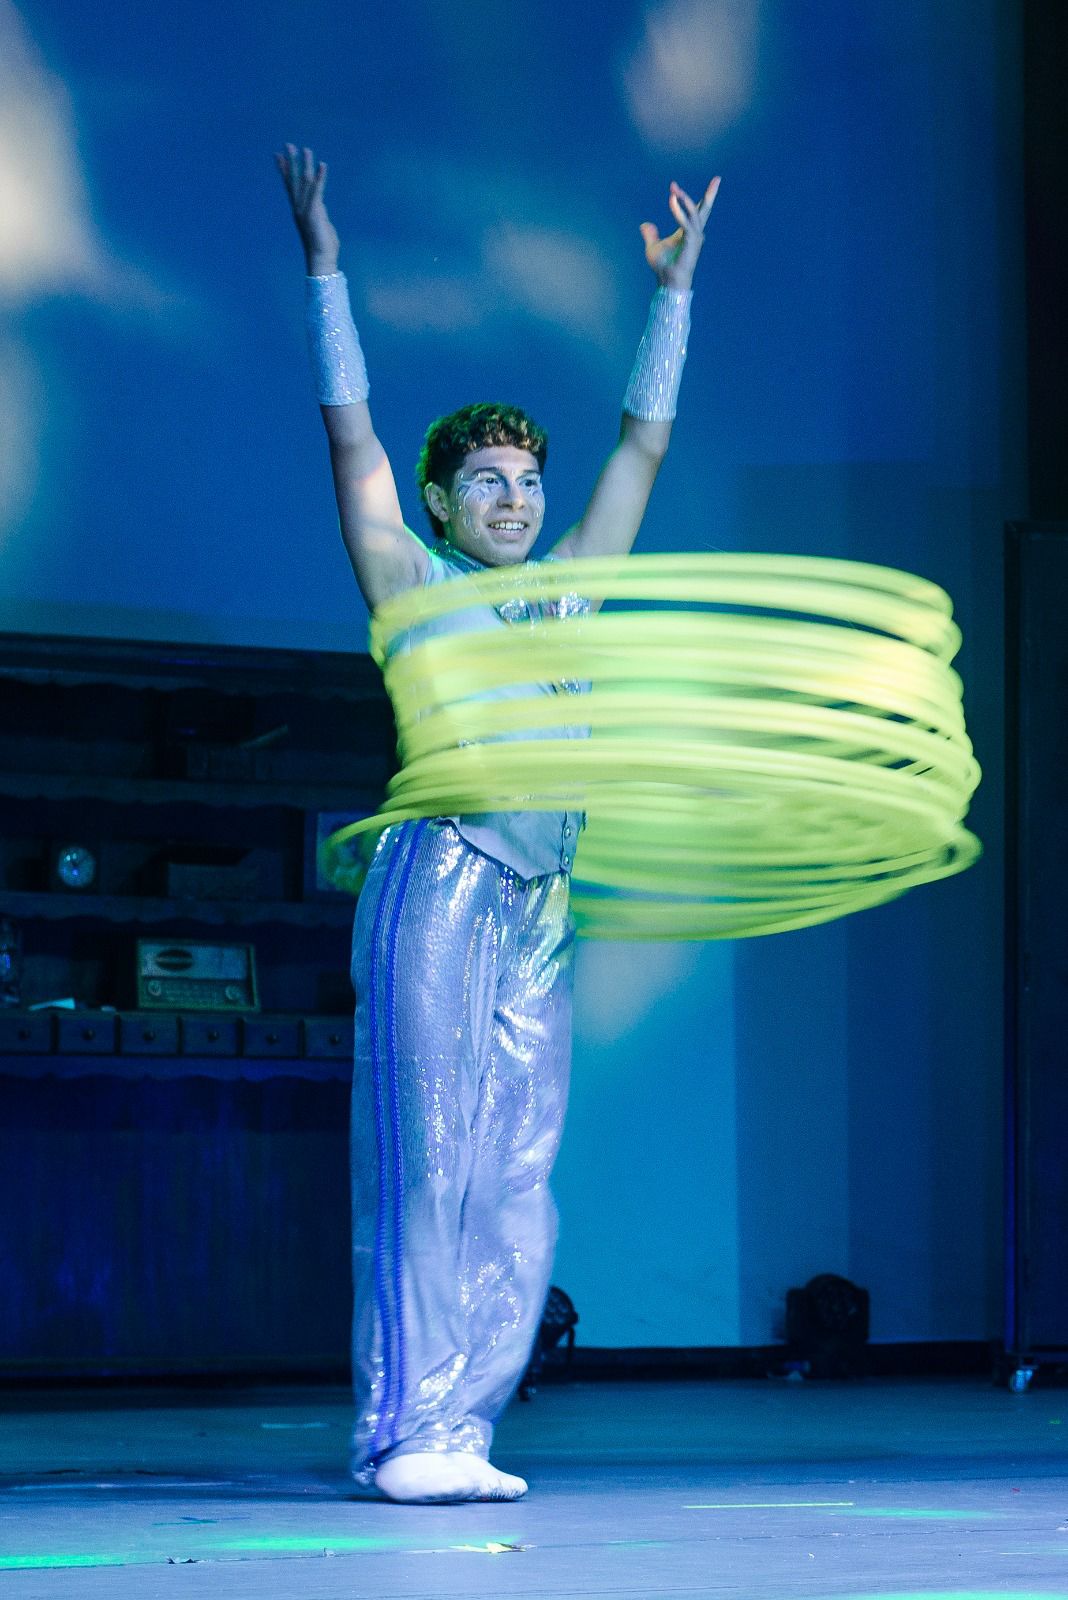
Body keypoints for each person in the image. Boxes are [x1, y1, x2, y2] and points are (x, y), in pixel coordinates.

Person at [276, 143, 719, 1503]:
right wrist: (326, 273)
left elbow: (642, 446)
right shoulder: (412, 587)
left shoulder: (575, 592)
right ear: (441, 504)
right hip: (441, 881)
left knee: (517, 1177)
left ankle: (462, 1429)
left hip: (540, 905)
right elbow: (353, 441)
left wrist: (673, 297)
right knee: (430, 1163)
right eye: (487, 481)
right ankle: (402, 1432)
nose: (516, 498)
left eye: (527, 479)